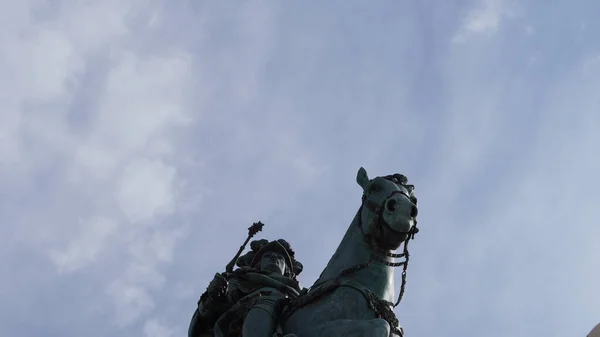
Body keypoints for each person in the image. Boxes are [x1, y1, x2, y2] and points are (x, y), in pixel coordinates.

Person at [188, 239, 304, 337]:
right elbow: (226, 303)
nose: (274, 258)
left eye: (280, 258)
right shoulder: (243, 279)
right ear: (258, 264)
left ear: (287, 269)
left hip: (289, 309)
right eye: (267, 256)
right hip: (250, 310)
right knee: (267, 301)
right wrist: (216, 294)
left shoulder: (296, 289)